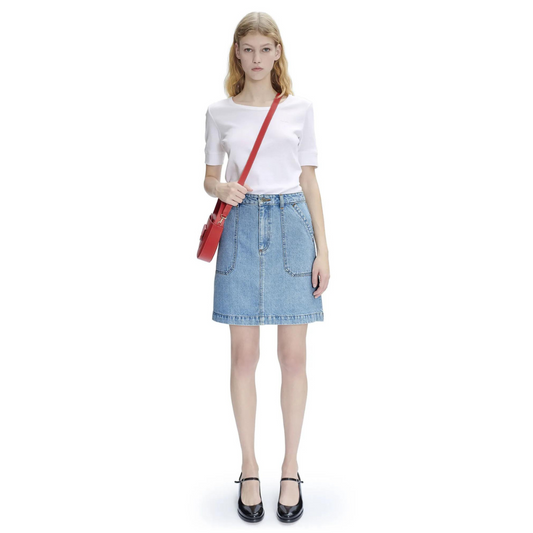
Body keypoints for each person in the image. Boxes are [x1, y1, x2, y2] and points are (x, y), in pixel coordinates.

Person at [203, 12, 330, 523]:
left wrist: (324, 250)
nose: (256, 58)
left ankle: (291, 466)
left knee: (293, 357)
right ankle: (249, 466)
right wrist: (221, 187)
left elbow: (310, 180)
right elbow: (209, 177)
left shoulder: (299, 109)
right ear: (237, 52)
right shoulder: (220, 112)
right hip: (240, 225)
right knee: (243, 356)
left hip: (291, 228)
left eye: (265, 48)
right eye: (248, 48)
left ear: (278, 52)